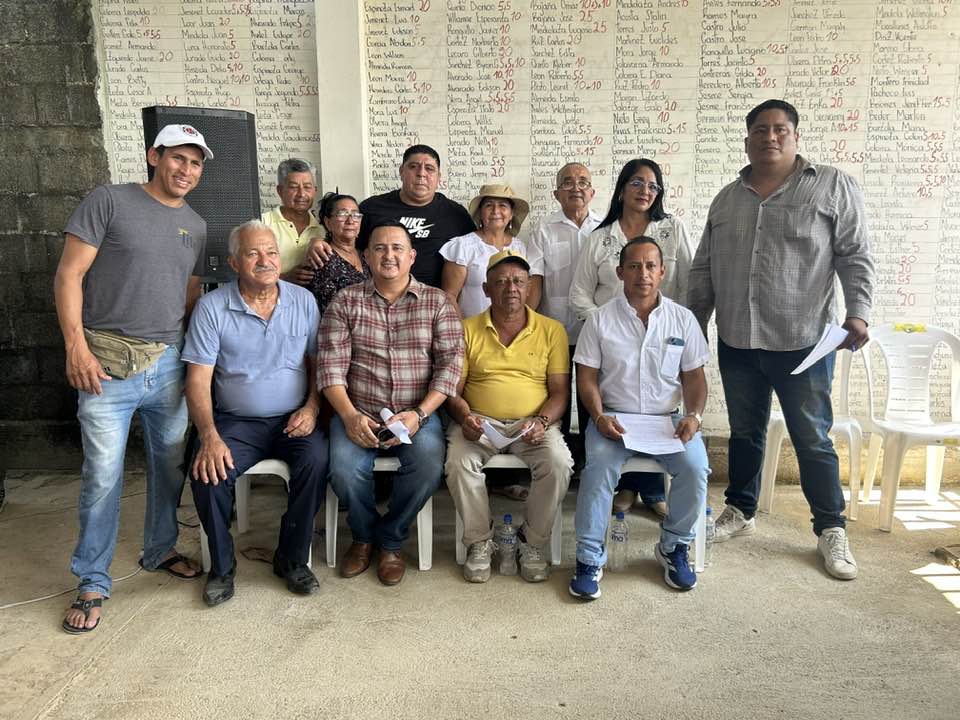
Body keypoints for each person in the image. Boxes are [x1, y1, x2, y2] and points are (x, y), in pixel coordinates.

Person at [687, 99, 873, 581]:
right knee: (744, 432)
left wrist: (858, 312)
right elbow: (704, 266)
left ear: (795, 136)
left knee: (811, 437)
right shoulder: (727, 198)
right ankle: (740, 509)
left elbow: (855, 254)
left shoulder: (831, 185)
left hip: (802, 341)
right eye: (760, 130)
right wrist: (693, 325)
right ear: (747, 138)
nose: (770, 137)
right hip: (739, 340)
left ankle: (830, 528)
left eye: (780, 129)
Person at [54, 124, 213, 633]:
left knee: (169, 466)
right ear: (153, 156)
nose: (186, 170)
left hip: (168, 364)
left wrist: (190, 359)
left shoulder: (196, 224)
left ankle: (159, 548)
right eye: (178, 158)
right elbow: (69, 275)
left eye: (195, 163)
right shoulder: (109, 201)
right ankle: (92, 579)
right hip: (106, 363)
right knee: (103, 476)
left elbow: (189, 296)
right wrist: (76, 347)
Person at [182, 221, 328, 606]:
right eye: (253, 253)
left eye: (271, 252)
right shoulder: (212, 308)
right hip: (235, 423)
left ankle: (291, 559)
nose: (265, 260)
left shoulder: (303, 301)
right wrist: (209, 436)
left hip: (293, 418)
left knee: (316, 460)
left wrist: (312, 407)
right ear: (234, 263)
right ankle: (222, 567)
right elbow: (197, 381)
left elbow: (319, 364)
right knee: (207, 473)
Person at [318, 222, 464, 586]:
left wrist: (419, 413)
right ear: (366, 256)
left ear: (412, 256)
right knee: (343, 470)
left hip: (417, 414)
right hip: (358, 412)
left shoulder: (437, 302)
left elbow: (450, 366)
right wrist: (349, 416)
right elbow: (330, 368)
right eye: (380, 248)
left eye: (397, 248)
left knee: (428, 466)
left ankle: (390, 539)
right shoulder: (346, 301)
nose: (389, 255)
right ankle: (363, 535)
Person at [570, 237, 710, 598]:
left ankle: (674, 546)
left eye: (650, 266)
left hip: (668, 420)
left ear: (663, 272)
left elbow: (695, 378)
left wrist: (694, 416)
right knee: (598, 469)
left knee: (695, 468)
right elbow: (586, 378)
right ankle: (589, 558)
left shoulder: (683, 319)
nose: (642, 274)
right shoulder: (600, 320)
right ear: (620, 272)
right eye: (633, 266)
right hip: (614, 420)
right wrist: (598, 416)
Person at [569, 158, 696, 518]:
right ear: (622, 188)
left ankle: (652, 490)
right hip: (607, 346)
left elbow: (688, 283)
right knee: (614, 413)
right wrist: (609, 327)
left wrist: (677, 327)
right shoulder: (600, 237)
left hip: (661, 336)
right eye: (637, 183)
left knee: (656, 407)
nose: (645, 191)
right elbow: (579, 293)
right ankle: (623, 488)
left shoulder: (672, 229)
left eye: (653, 186)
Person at [445, 250, 572, 584]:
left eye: (518, 281)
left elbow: (560, 392)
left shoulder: (552, 330)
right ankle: (479, 542)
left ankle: (532, 542)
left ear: (529, 288)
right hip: (479, 422)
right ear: (486, 289)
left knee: (558, 463)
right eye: (500, 282)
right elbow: (452, 390)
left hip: (533, 423)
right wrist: (465, 416)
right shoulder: (466, 329)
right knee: (459, 462)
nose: (510, 288)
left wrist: (542, 422)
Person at [527, 162, 602, 468]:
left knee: (590, 398)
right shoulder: (543, 230)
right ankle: (558, 463)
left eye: (583, 182)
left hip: (593, 331)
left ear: (592, 192)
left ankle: (589, 464)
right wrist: (527, 324)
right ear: (556, 193)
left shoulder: (605, 228)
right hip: (554, 330)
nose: (576, 188)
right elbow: (535, 280)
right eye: (568, 182)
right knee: (555, 397)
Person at [358, 144, 475, 287]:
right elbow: (349, 248)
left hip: (435, 297)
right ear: (401, 171)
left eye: (429, 168)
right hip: (378, 295)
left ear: (438, 177)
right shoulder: (372, 208)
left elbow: (474, 254)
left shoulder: (456, 214)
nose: (421, 173)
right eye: (413, 167)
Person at [439, 183, 532, 318]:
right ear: (480, 213)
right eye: (489, 205)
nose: (495, 211)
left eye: (503, 205)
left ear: (511, 214)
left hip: (511, 328)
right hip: (472, 328)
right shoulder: (462, 247)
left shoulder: (519, 247)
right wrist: (462, 328)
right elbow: (450, 296)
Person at [260, 158, 331, 285]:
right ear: (280, 191)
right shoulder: (261, 224)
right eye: (293, 187)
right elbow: (247, 272)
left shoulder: (323, 229)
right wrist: (284, 279)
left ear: (315, 191)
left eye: (307, 187)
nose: (301, 194)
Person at [307, 192, 369, 316]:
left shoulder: (366, 255)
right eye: (342, 214)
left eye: (355, 215)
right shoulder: (322, 257)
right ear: (328, 222)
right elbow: (328, 309)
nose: (350, 221)